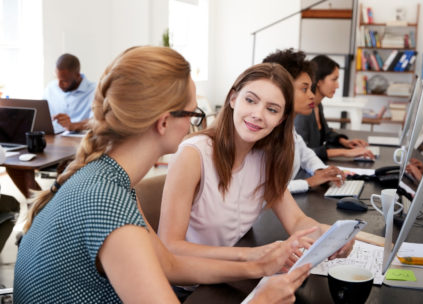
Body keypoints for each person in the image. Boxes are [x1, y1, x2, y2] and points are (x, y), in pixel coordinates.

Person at [14, 46, 313, 303]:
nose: (195, 128)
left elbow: (168, 263)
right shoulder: (108, 204)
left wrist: (257, 265)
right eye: (193, 115)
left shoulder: (109, 180)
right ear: (164, 122)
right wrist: (260, 299)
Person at [158, 63, 354, 288]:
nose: (258, 115)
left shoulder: (265, 158)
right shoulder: (194, 154)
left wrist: (331, 235)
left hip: (230, 279)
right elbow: (170, 246)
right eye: (250, 100)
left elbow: (297, 220)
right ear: (233, 99)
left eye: (272, 109)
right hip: (187, 288)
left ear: (281, 119)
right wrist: (251, 255)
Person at [263, 49, 345, 193]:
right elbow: (266, 189)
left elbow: (305, 153)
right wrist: (308, 182)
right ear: (281, 89)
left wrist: (320, 170)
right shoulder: (264, 132)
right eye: (304, 89)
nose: (312, 96)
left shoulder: (287, 126)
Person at [294, 55, 374, 161]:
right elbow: (303, 153)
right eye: (334, 79)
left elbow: (326, 132)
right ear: (318, 81)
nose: (337, 86)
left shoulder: (318, 105)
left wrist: (345, 142)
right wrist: (346, 152)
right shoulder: (303, 113)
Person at [44, 53, 95, 132]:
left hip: (79, 140)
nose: (59, 84)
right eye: (57, 78)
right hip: (53, 139)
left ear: (77, 76)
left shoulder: (95, 91)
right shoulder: (51, 88)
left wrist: (73, 125)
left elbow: (98, 121)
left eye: (64, 81)